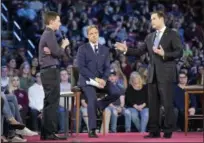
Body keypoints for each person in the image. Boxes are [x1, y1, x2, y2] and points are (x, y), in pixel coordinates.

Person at [115, 11, 183, 138]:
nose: (151, 21)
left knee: (167, 103)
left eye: (154, 19)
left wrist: (165, 54)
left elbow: (179, 52)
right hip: (152, 75)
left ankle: (168, 131)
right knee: (153, 104)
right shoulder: (150, 37)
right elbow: (139, 51)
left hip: (166, 74)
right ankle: (154, 131)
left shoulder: (172, 34)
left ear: (162, 19)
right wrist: (126, 50)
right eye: (151, 19)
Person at [77, 25, 124, 138]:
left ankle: (100, 105)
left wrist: (103, 79)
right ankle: (92, 129)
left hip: (101, 80)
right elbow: (82, 68)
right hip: (88, 80)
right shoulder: (82, 49)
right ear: (88, 36)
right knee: (92, 99)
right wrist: (96, 78)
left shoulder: (105, 49)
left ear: (98, 34)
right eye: (91, 33)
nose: (94, 35)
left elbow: (107, 68)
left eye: (96, 33)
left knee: (117, 92)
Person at [38, 11, 69, 140]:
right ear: (51, 21)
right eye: (58, 20)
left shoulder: (47, 34)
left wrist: (55, 51)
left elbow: (54, 52)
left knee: (48, 102)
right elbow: (57, 53)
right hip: (50, 71)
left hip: (47, 71)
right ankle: (50, 132)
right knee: (52, 102)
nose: (60, 23)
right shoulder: (49, 34)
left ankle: (45, 133)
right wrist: (63, 45)